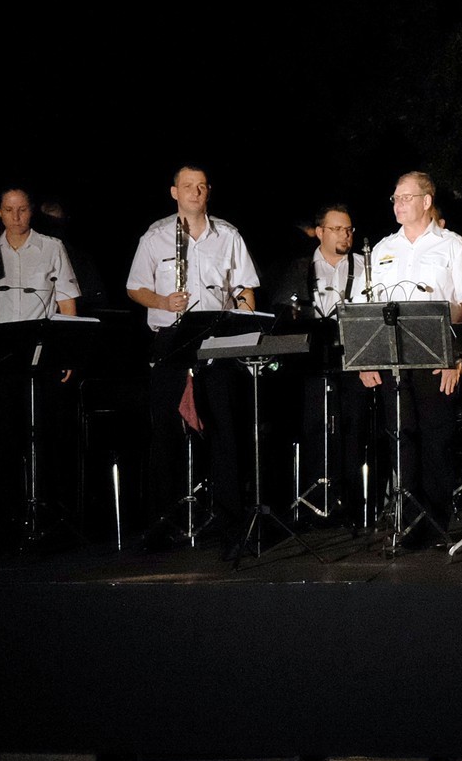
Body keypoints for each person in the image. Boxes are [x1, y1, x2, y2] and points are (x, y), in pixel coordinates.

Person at [124, 165, 260, 553]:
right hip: (171, 341)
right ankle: (163, 523)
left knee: (224, 431)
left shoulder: (228, 235)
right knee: (166, 434)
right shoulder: (155, 236)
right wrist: (163, 301)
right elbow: (135, 287)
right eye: (188, 186)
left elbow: (244, 287)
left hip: (216, 341)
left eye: (201, 186)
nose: (195, 192)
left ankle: (229, 523)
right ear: (174, 192)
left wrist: (247, 327)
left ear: (208, 191)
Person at [360, 172, 462, 546]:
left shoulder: (452, 245)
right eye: (395, 198)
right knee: (402, 439)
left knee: (436, 440)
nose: (398, 204)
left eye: (406, 197)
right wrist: (366, 359)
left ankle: (436, 524)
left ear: (426, 201)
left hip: (436, 358)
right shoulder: (382, 249)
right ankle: (408, 524)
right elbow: (364, 306)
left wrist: (455, 355)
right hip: (393, 358)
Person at [0, 187, 81, 551]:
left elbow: (67, 301)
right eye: (9, 210)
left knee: (47, 438)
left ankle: (51, 520)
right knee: (3, 443)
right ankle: (7, 525)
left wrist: (67, 353)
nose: (16, 217)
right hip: (1, 358)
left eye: (23, 209)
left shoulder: (51, 247)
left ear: (32, 211)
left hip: (42, 354)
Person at [283, 205, 371, 528]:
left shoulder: (364, 266)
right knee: (313, 427)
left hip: (353, 358)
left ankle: (353, 504)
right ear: (320, 232)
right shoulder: (300, 267)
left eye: (348, 229)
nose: (345, 235)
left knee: (353, 426)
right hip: (312, 360)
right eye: (337, 229)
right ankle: (314, 501)